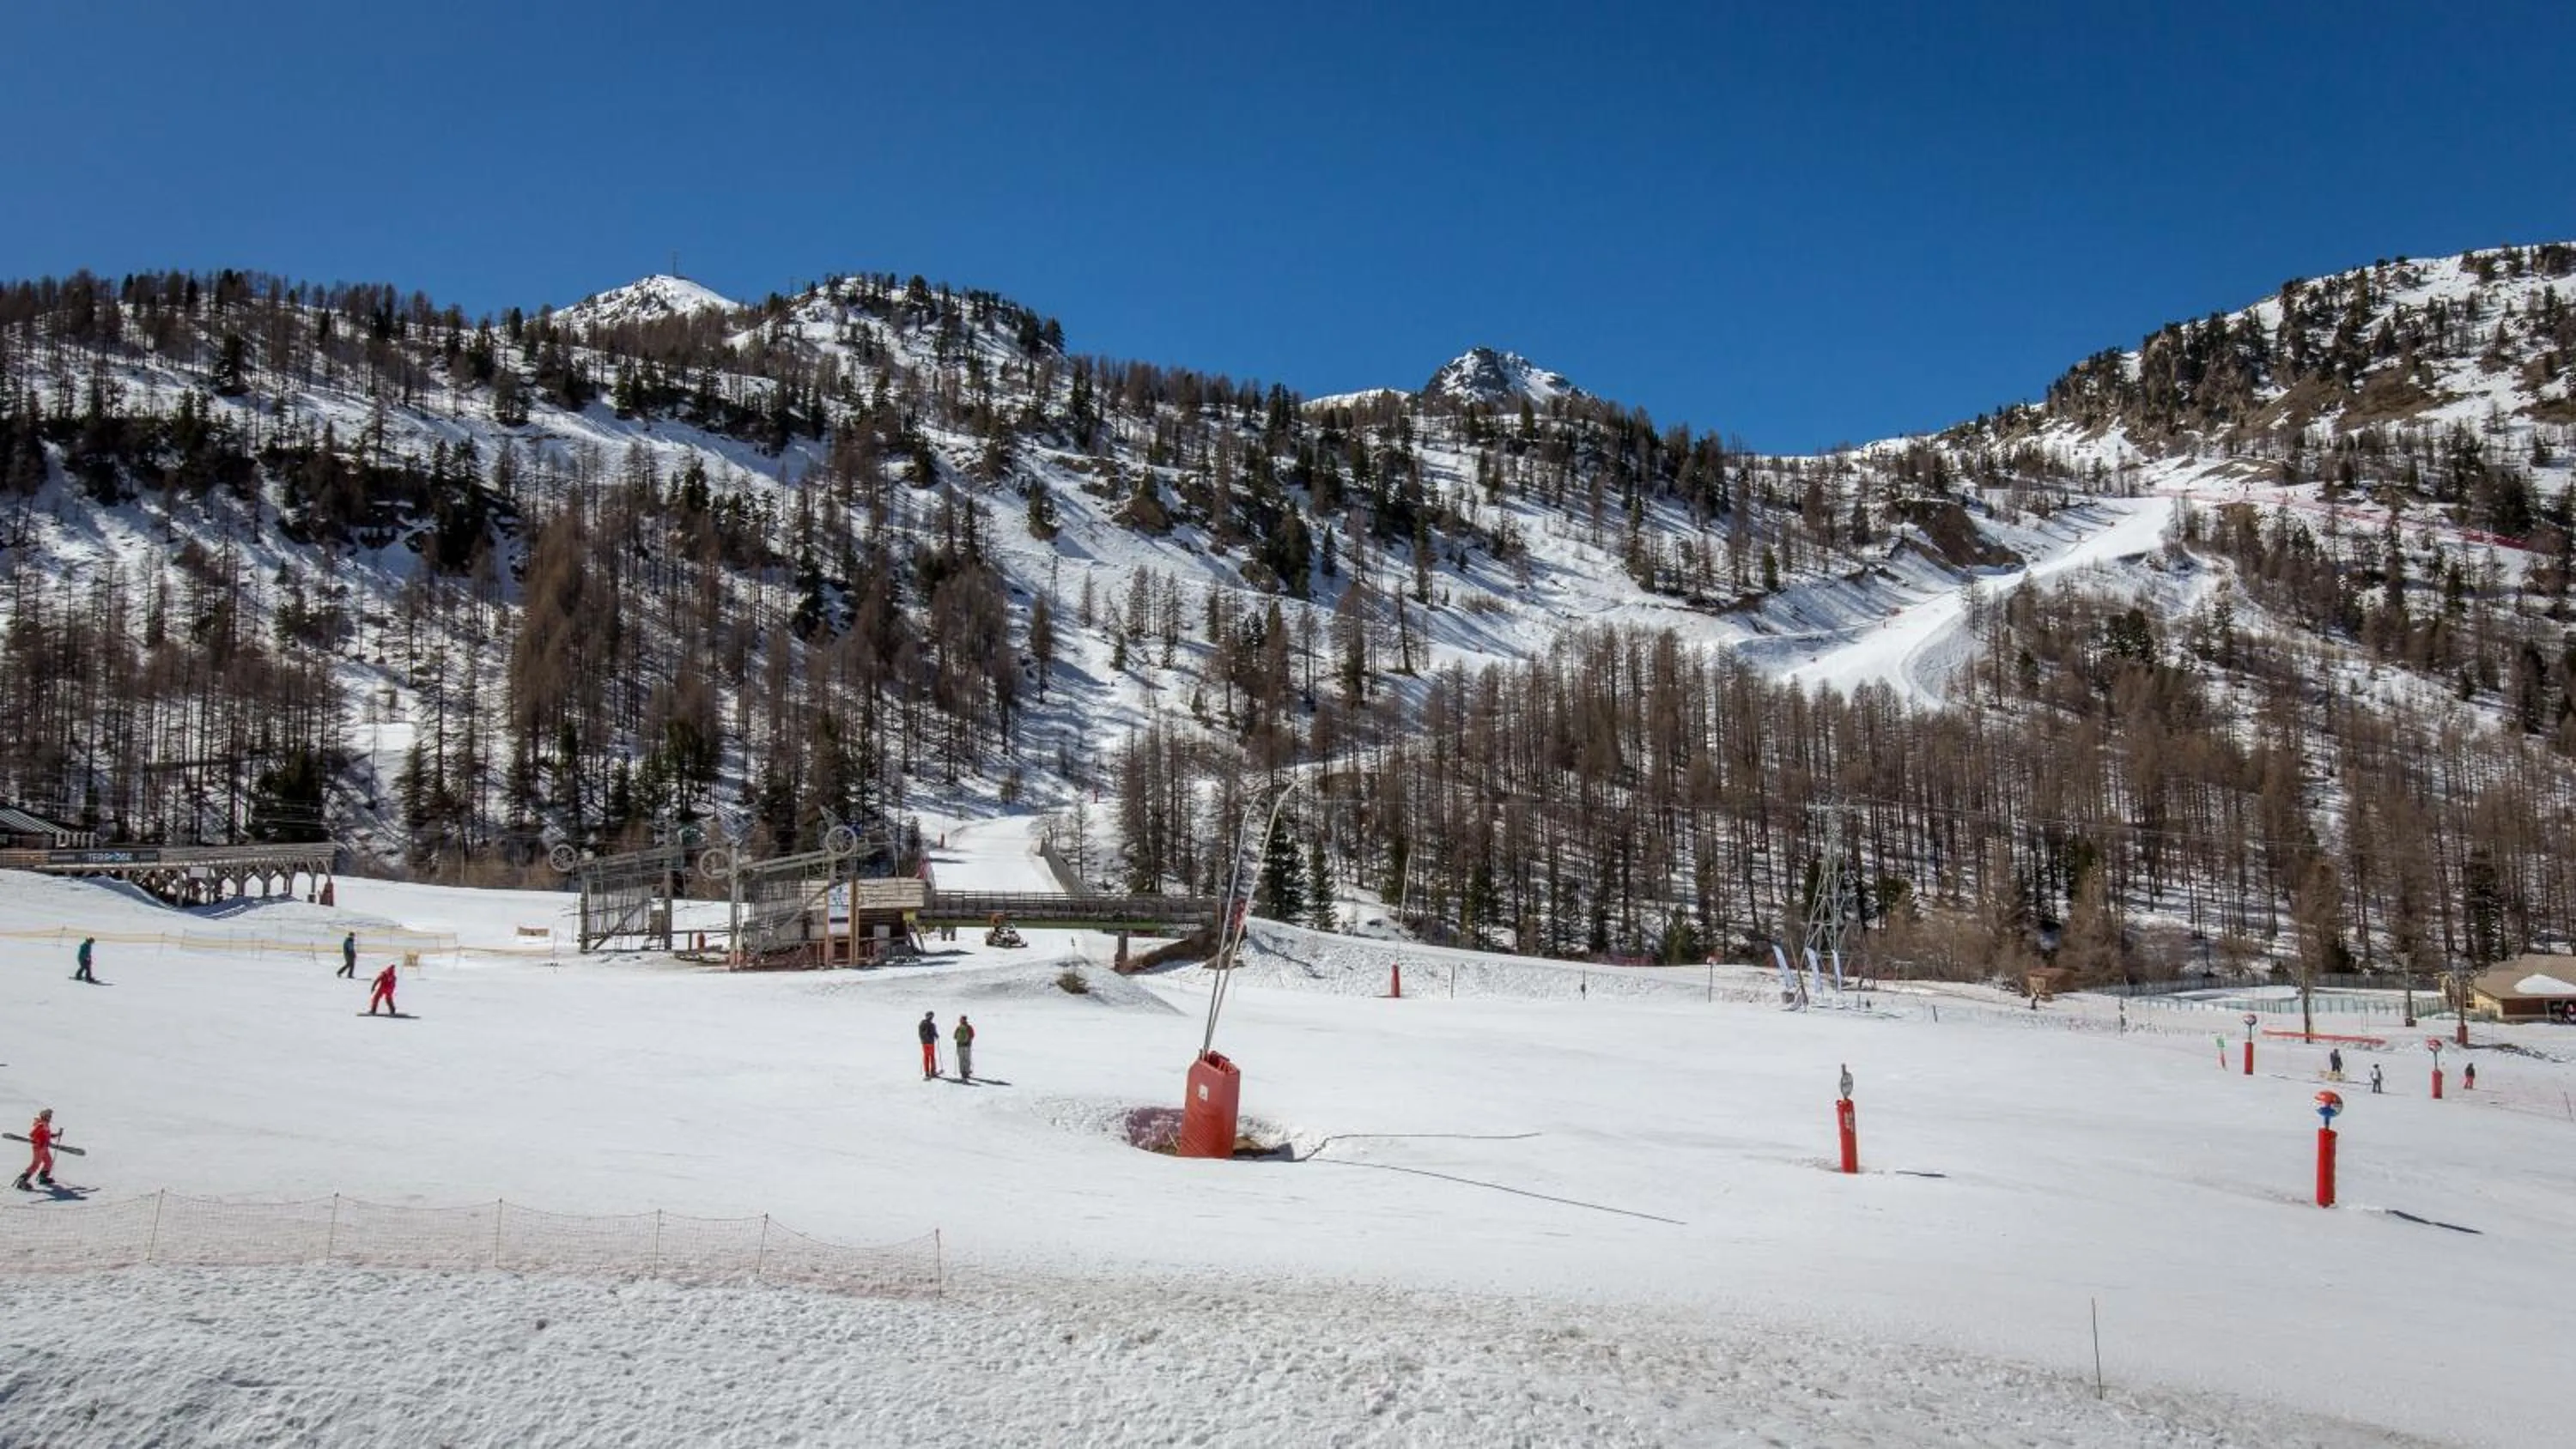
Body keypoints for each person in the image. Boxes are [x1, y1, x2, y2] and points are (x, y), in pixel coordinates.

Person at [14, 1108, 58, 1191]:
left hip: (44, 1147)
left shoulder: (45, 1124)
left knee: (48, 1162)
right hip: (39, 1148)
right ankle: (22, 1181)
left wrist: (54, 1135)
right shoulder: (41, 1124)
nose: (50, 1117)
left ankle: (42, 1177)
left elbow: (46, 1134)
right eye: (49, 1115)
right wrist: (38, 1141)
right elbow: (32, 1134)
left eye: (50, 1116)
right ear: (44, 1116)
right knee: (35, 1165)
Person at [953, 1015, 976, 1082]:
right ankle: (967, 1072)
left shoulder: (959, 1027)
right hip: (967, 1045)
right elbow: (972, 1035)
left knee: (961, 1059)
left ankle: (962, 1072)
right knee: (967, 1059)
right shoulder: (969, 1027)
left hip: (959, 1045)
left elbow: (954, 1037)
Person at [918, 1010, 939, 1080]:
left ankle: (929, 1071)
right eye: (931, 1016)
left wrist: (935, 1035)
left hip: (926, 1043)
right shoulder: (929, 1024)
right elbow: (923, 1033)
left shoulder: (924, 1024)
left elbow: (921, 1033)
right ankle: (930, 1071)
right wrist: (935, 1035)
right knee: (930, 1057)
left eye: (932, 1016)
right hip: (929, 1043)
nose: (931, 1017)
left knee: (928, 1057)